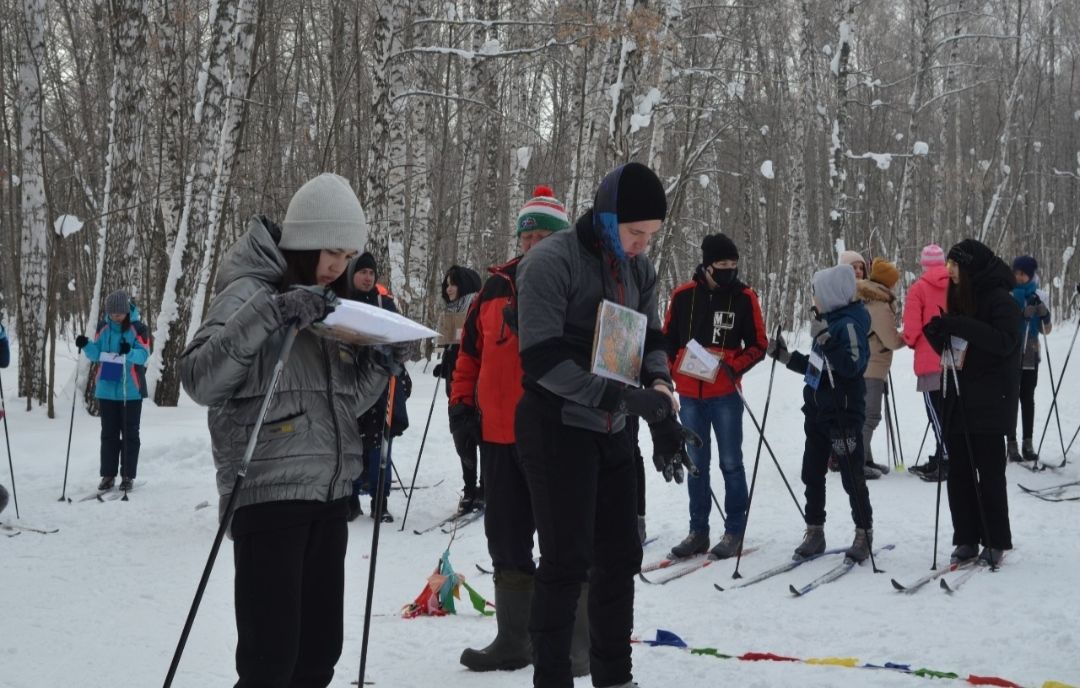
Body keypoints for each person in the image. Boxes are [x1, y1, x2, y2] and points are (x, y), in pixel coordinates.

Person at [179, 173, 392, 688]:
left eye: (347, 255)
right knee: (270, 661)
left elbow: (339, 404)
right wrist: (271, 314)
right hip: (268, 492)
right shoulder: (250, 291)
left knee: (319, 655)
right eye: (332, 252)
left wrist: (381, 364)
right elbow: (200, 378)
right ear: (305, 241)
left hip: (328, 495)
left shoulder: (328, 302)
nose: (340, 266)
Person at [516, 162, 696, 688]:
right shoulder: (551, 263)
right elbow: (541, 360)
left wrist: (660, 396)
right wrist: (621, 397)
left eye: (652, 235)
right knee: (566, 561)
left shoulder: (638, 270)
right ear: (609, 215)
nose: (643, 244)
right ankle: (552, 678)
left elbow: (650, 342)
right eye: (635, 232)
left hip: (614, 428)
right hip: (556, 426)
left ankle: (615, 676)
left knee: (620, 557)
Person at [453, 186, 591, 677]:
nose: (531, 242)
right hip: (497, 435)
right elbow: (469, 356)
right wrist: (460, 407)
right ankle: (513, 640)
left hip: (555, 433)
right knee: (505, 539)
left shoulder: (575, 279)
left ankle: (577, 645)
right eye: (525, 234)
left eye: (542, 235)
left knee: (564, 539)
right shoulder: (492, 289)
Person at [662, 233, 766, 560]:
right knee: (697, 465)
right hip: (690, 395)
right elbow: (666, 342)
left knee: (731, 462)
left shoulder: (745, 297)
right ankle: (698, 531)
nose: (729, 271)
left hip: (725, 395)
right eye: (722, 265)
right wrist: (673, 370)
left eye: (733, 265)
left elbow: (758, 345)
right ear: (707, 266)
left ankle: (735, 530)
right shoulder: (682, 296)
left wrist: (732, 366)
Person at [767, 264, 875, 563]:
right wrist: (786, 357)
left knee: (851, 476)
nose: (813, 298)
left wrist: (827, 339)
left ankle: (863, 531)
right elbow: (817, 367)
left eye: (816, 292)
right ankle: (815, 531)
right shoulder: (826, 321)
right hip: (817, 411)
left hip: (843, 413)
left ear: (831, 294)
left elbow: (852, 366)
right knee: (811, 472)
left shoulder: (850, 324)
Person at [923, 239, 1020, 566]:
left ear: (970, 266)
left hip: (992, 401)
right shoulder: (959, 296)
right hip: (959, 399)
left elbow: (1005, 342)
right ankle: (965, 537)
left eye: (955, 265)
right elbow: (958, 350)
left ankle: (995, 539)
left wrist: (960, 325)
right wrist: (938, 335)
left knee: (990, 474)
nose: (949, 272)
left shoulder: (999, 298)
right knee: (960, 473)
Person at [346, 251, 412, 522]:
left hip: (382, 384)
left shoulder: (385, 304)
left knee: (380, 445)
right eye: (362, 272)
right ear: (352, 274)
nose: (367, 277)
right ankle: (348, 500)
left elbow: (402, 337)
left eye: (371, 273)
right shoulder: (344, 303)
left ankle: (379, 501)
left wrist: (396, 354)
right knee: (349, 443)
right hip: (349, 381)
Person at [76, 290, 150, 493]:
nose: (116, 316)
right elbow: (97, 354)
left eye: (120, 313)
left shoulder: (138, 328)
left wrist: (130, 352)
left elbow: (144, 355)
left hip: (131, 390)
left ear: (127, 311)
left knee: (130, 435)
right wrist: (86, 345)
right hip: (107, 390)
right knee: (108, 434)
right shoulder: (104, 327)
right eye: (113, 313)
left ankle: (127, 475)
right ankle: (108, 475)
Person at [434, 264, 484, 514]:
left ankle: (485, 487)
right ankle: (469, 487)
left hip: (478, 386)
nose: (448, 288)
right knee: (461, 437)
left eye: (453, 283)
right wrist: (444, 364)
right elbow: (452, 345)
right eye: (446, 284)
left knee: (481, 435)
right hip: (455, 386)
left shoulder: (477, 308)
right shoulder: (449, 312)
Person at [902, 244, 950, 481]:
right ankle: (944, 453)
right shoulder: (957, 285)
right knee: (950, 412)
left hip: (929, 357)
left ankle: (948, 458)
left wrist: (912, 341)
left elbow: (911, 328)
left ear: (923, 264)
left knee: (935, 412)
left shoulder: (918, 289)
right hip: (954, 359)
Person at [857, 258, 905, 478]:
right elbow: (892, 340)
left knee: (866, 415)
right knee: (870, 416)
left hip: (866, 364)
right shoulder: (879, 305)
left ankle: (866, 459)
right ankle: (858, 462)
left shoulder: (868, 298)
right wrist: (909, 336)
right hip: (873, 367)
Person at [1007, 255, 1052, 463]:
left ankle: (1028, 442)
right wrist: (1020, 315)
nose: (1019, 277)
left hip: (1031, 351)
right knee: (1011, 398)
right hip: (1012, 351)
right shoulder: (1009, 294)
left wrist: (1044, 314)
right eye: (1016, 272)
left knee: (1027, 398)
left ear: (1031, 274)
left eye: (1022, 273)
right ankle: (1012, 444)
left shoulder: (1039, 294)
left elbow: (1047, 330)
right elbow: (1003, 324)